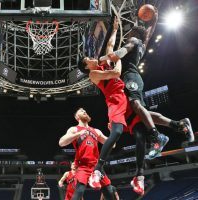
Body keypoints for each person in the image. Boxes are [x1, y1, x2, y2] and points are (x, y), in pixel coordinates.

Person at [100, 7, 194, 146]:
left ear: (134, 34)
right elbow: (148, 33)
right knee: (141, 112)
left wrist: (111, 56)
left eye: (130, 32)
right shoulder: (142, 43)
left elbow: (119, 52)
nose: (128, 33)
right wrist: (154, 19)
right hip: (130, 77)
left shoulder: (133, 41)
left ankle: (156, 136)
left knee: (136, 104)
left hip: (130, 76)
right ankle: (178, 124)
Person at [59, 108, 117, 200]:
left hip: (97, 167)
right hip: (83, 165)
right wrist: (78, 134)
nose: (85, 112)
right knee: (79, 191)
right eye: (82, 111)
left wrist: (112, 133)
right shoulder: (74, 129)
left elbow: (112, 145)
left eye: (85, 111)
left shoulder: (96, 131)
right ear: (77, 117)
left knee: (109, 192)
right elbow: (61, 142)